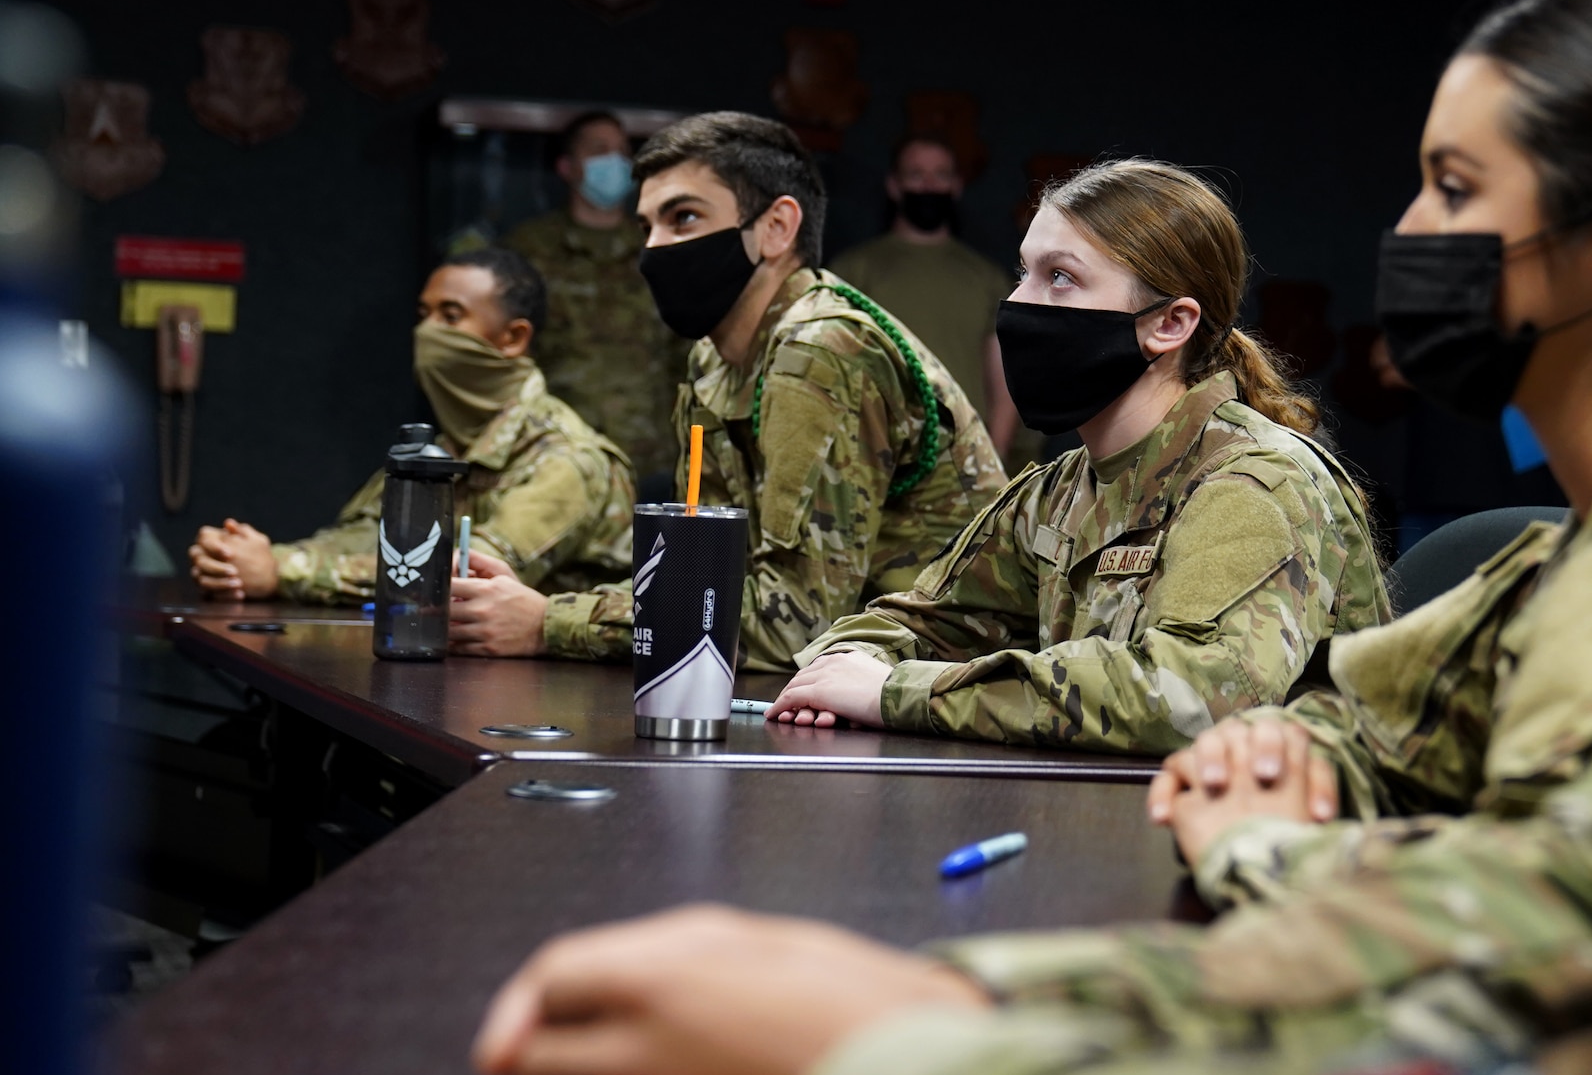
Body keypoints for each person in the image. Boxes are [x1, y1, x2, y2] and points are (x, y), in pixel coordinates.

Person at [467, 0, 1592, 1075]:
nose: (1408, 231)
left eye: (1453, 187)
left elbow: (1539, 962)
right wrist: (1287, 773)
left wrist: (949, 1017)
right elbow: (1331, 732)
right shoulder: (1570, 557)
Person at [766, 159, 1387, 755]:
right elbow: (925, 621)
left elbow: (1192, 697)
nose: (1019, 303)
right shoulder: (1062, 488)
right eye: (1024, 271)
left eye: (1059, 277)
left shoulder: (1255, 483)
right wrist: (855, 666)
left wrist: (898, 692)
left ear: (1169, 324)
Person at [448, 112, 1007, 669]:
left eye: (683, 218)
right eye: (647, 227)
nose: (653, 250)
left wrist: (549, 621)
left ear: (776, 228)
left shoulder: (820, 350)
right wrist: (530, 602)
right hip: (845, 670)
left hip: (940, 673)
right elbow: (710, 576)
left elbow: (795, 623)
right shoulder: (715, 356)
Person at [187, 250, 633, 604]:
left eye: (451, 316)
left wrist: (281, 571)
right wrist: (240, 558)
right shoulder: (445, 448)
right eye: (425, 314)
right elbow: (364, 537)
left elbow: (463, 575)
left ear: (513, 338)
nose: (428, 333)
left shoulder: (568, 461)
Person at [502, 109, 688, 488]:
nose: (616, 161)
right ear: (567, 167)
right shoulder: (529, 249)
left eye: (623, 150)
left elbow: (685, 352)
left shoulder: (660, 249)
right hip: (557, 455)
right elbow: (505, 355)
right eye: (599, 149)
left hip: (650, 456)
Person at [830, 136, 1028, 464]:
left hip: (963, 455)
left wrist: (995, 453)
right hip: (874, 453)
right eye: (916, 174)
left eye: (941, 174)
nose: (929, 185)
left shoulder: (987, 276)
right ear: (894, 185)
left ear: (956, 185)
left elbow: (1005, 373)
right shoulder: (852, 270)